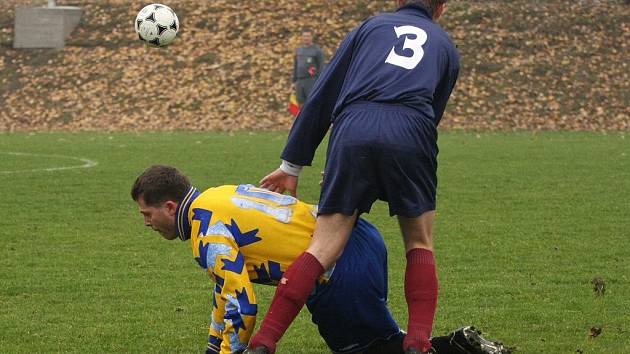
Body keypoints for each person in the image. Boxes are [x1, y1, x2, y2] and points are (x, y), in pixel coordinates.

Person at [252, 1, 460, 354]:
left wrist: (292, 165)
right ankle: (417, 344)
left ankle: (264, 341)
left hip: (354, 126)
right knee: (419, 243)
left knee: (323, 247)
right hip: (412, 129)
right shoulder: (445, 47)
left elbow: (323, 93)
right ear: (440, 7)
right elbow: (433, 113)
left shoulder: (371, 27)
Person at [130, 165, 509, 354]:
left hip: (335, 267)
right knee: (380, 343)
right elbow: (225, 292)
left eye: (147, 215)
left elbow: (241, 304)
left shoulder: (206, 230)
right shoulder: (215, 197)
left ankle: (458, 346)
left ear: (169, 206)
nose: (146, 224)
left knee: (374, 350)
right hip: (355, 238)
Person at [292, 28, 326, 109]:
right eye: (304, 36)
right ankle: (301, 121)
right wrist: (293, 81)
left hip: (311, 80)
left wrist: (319, 82)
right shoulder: (299, 50)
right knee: (299, 103)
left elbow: (321, 67)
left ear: (311, 37)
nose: (306, 38)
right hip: (300, 81)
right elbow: (296, 66)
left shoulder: (317, 51)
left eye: (308, 36)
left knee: (311, 103)